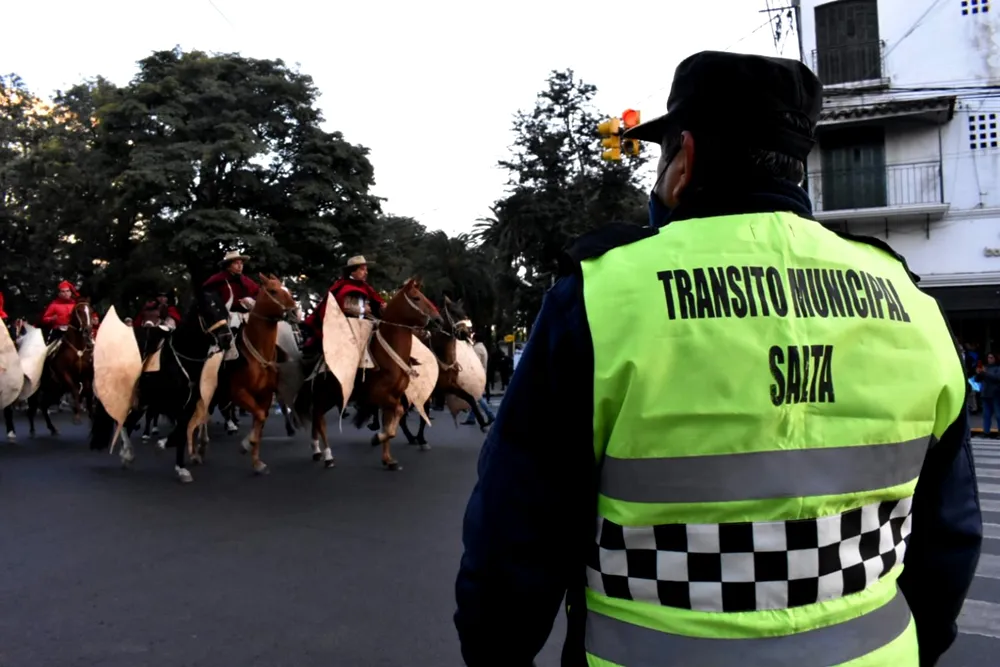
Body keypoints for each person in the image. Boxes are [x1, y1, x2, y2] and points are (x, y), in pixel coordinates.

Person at [454, 51, 981, 667]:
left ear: (688, 158)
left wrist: (495, 653)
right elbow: (949, 536)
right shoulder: (910, 300)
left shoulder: (602, 295)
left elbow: (517, 528)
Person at [301, 255, 386, 356]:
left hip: (364, 324)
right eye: (362, 269)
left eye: (366, 270)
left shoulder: (365, 286)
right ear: (352, 271)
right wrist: (362, 309)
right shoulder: (344, 286)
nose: (366, 273)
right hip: (344, 326)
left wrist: (382, 307)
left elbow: (376, 301)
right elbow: (345, 306)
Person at [202, 250, 260, 331]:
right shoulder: (218, 280)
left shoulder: (246, 280)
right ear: (228, 266)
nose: (240, 266)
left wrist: (251, 300)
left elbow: (259, 294)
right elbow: (209, 298)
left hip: (248, 317)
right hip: (225, 319)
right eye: (236, 263)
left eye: (241, 263)